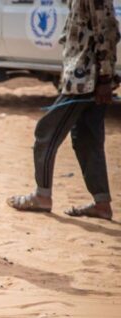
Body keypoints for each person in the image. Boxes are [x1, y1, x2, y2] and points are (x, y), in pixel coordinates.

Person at [7, 0, 118, 221]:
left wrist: (105, 78)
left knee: (45, 133)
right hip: (85, 78)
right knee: (86, 139)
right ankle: (101, 203)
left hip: (84, 79)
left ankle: (42, 196)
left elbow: (106, 31)